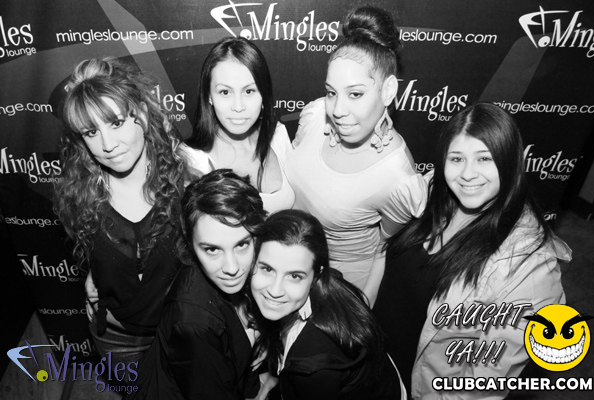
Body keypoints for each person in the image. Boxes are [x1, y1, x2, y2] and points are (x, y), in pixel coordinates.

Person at [373, 103, 571, 399]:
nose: (467, 174)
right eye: (456, 158)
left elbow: (481, 385)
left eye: (484, 158)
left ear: (510, 162)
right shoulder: (432, 190)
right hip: (372, 365)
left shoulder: (530, 268)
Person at [285, 5, 427, 298]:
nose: (338, 110)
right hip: (288, 261)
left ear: (388, 91)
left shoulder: (398, 177)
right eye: (332, 92)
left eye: (355, 94)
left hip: (339, 285)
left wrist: (362, 304)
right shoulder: (315, 116)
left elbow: (383, 250)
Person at [54, 57, 187, 364]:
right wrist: (96, 274)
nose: (107, 144)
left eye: (116, 123)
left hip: (181, 333)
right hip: (116, 340)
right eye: (91, 132)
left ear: (142, 114)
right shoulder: (80, 194)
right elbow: (97, 256)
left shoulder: (185, 183)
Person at [130, 169, 267, 400]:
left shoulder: (254, 268)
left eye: (241, 245)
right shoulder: (193, 322)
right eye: (212, 249)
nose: (232, 268)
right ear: (190, 243)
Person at [249, 209, 404, 400]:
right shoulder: (331, 286)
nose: (275, 290)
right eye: (267, 269)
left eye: (295, 276)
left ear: (317, 276)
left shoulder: (314, 364)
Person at [182, 37, 294, 213]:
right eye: (225, 92)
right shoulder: (192, 161)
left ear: (263, 93)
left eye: (249, 91)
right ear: (209, 96)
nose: (238, 106)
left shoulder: (277, 135)